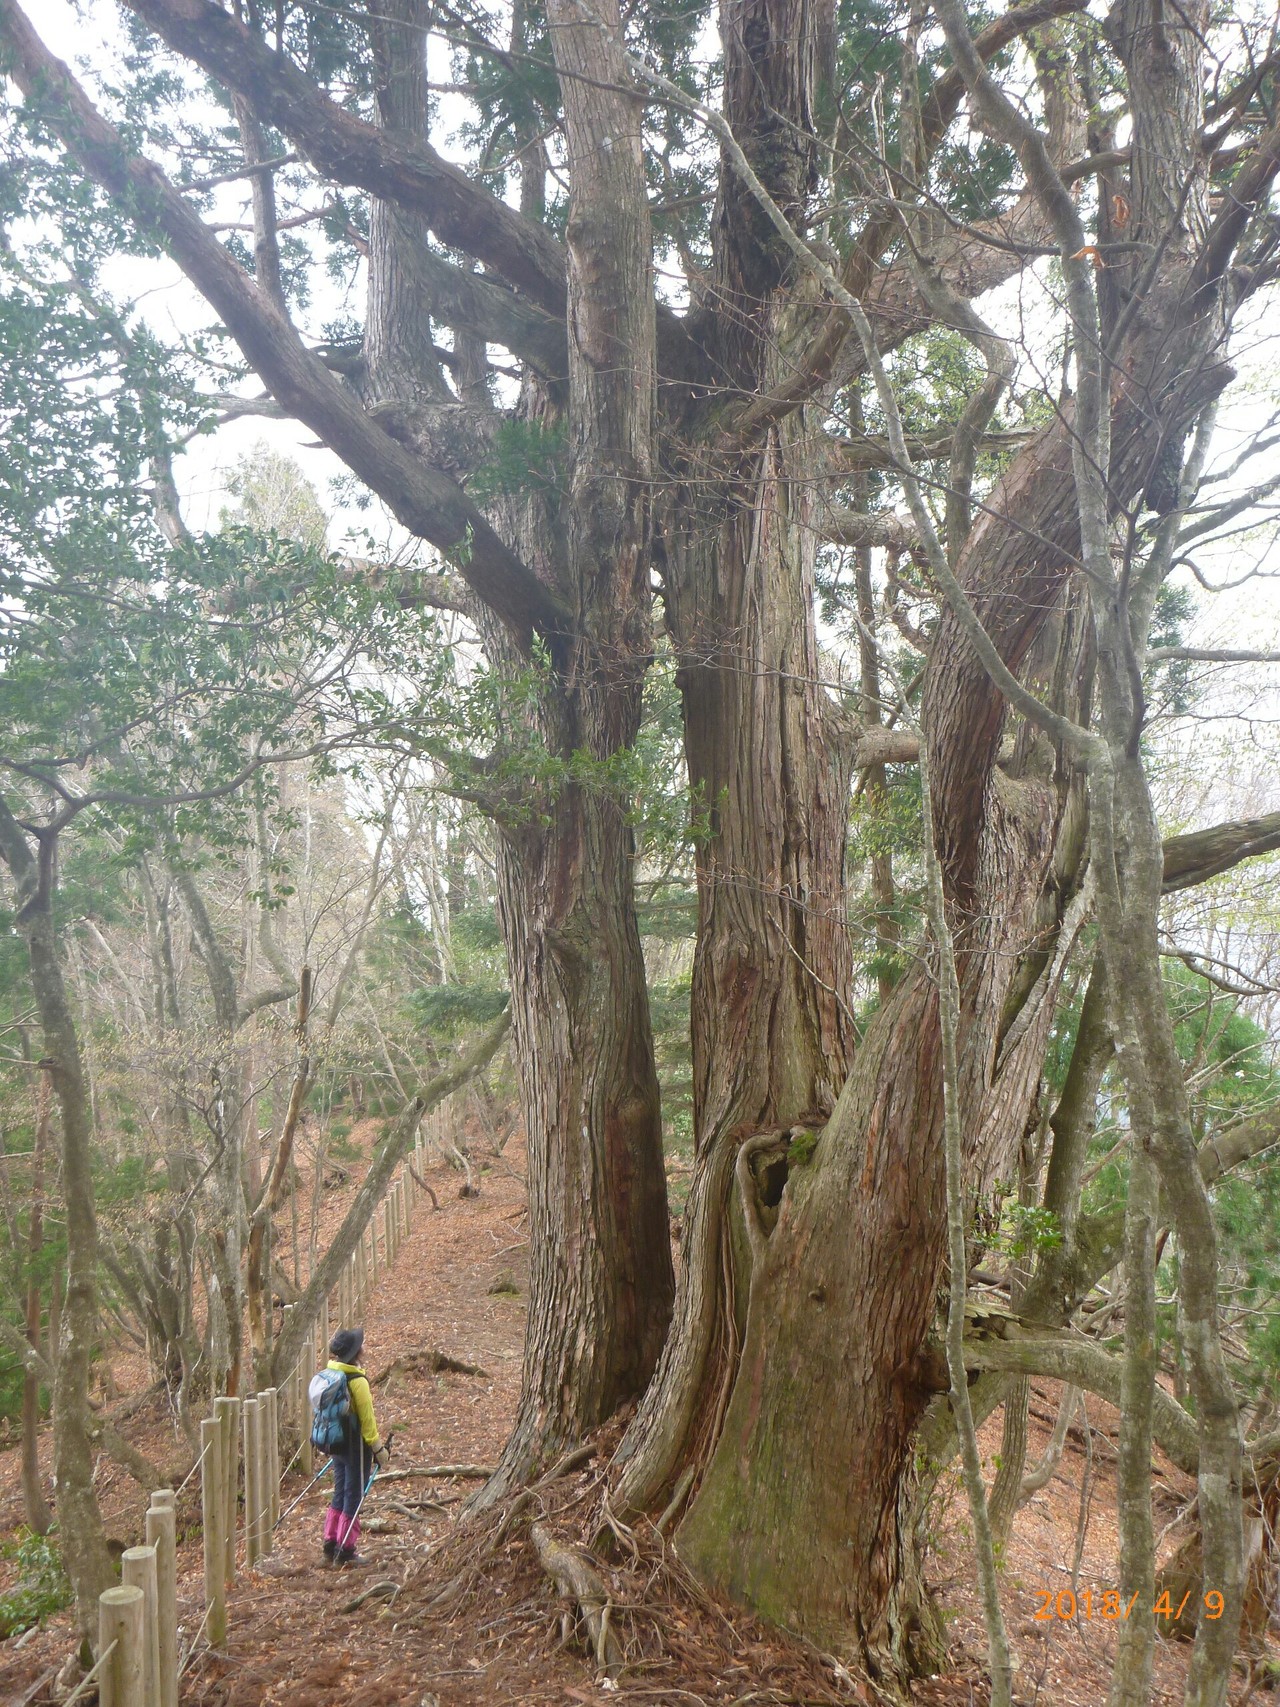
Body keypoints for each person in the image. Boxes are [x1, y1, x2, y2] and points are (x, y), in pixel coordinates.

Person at [322, 1327, 389, 1567]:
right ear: (356, 1352)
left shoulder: (331, 1372)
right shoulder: (357, 1381)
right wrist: (379, 1449)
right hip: (355, 1447)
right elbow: (367, 1421)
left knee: (340, 1491)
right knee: (354, 1495)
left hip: (335, 1444)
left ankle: (330, 1542)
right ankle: (347, 1549)